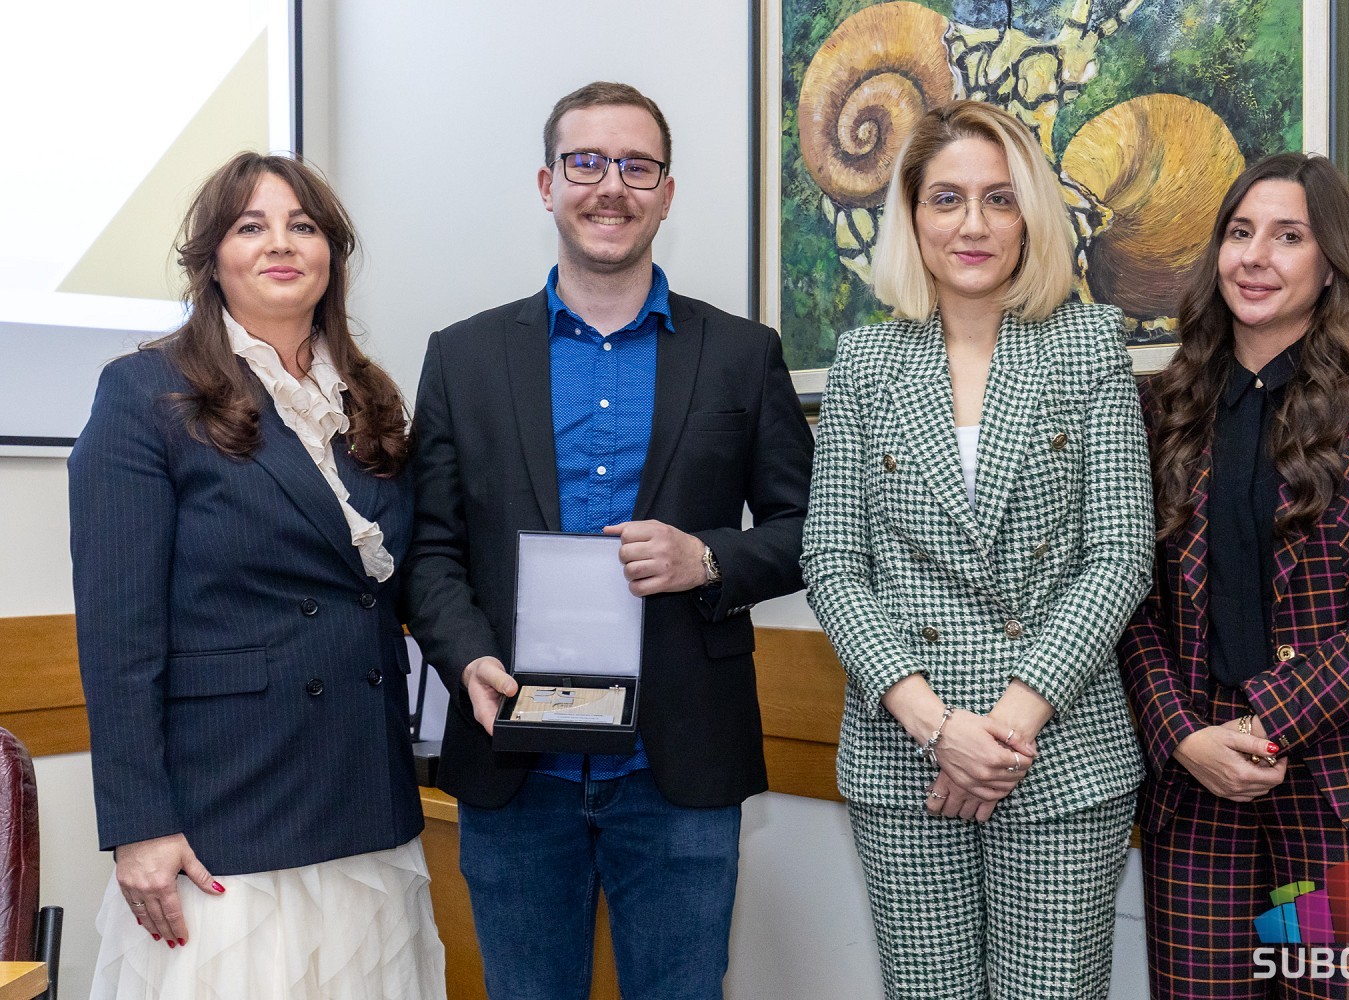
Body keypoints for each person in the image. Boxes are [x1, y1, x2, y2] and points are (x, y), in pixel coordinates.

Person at [402, 81, 813, 999]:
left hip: (677, 764)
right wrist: (466, 657)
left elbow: (809, 531)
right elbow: (429, 550)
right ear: (546, 184)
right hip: (513, 757)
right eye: (586, 162)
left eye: (637, 166)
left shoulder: (742, 354)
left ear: (667, 194)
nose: (611, 187)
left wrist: (706, 559)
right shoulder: (462, 358)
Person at [800, 99, 1154, 999]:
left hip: (1058, 753)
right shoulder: (865, 363)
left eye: (1000, 199)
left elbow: (1120, 555)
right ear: (912, 215)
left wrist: (1004, 732)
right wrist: (938, 729)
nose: (973, 224)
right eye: (947, 198)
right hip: (904, 756)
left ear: (1030, 215)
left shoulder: (1087, 345)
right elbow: (832, 564)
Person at [70, 152, 444, 999]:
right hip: (225, 812)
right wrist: (138, 825)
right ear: (212, 259)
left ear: (331, 256)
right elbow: (119, 636)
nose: (281, 244)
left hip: (365, 796)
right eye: (251, 226)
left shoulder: (370, 398)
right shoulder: (145, 392)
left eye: (302, 226)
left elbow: (404, 581)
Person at [1119, 152, 1349, 998]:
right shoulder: (1159, 404)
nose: (1254, 257)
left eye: (1288, 237)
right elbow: (1128, 598)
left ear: (1331, 264)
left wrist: (1268, 723)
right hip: (1198, 792)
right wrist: (1184, 738)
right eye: (1239, 233)